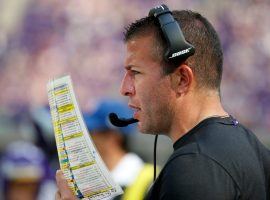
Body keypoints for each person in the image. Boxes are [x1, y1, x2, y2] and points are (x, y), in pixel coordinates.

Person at [55, 4, 270, 200]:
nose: (124, 89)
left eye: (135, 73)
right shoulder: (252, 149)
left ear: (182, 79)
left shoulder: (195, 167)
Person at [83, 99, 155, 200]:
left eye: (91, 132)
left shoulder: (150, 179)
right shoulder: (88, 181)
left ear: (113, 136)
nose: (85, 138)